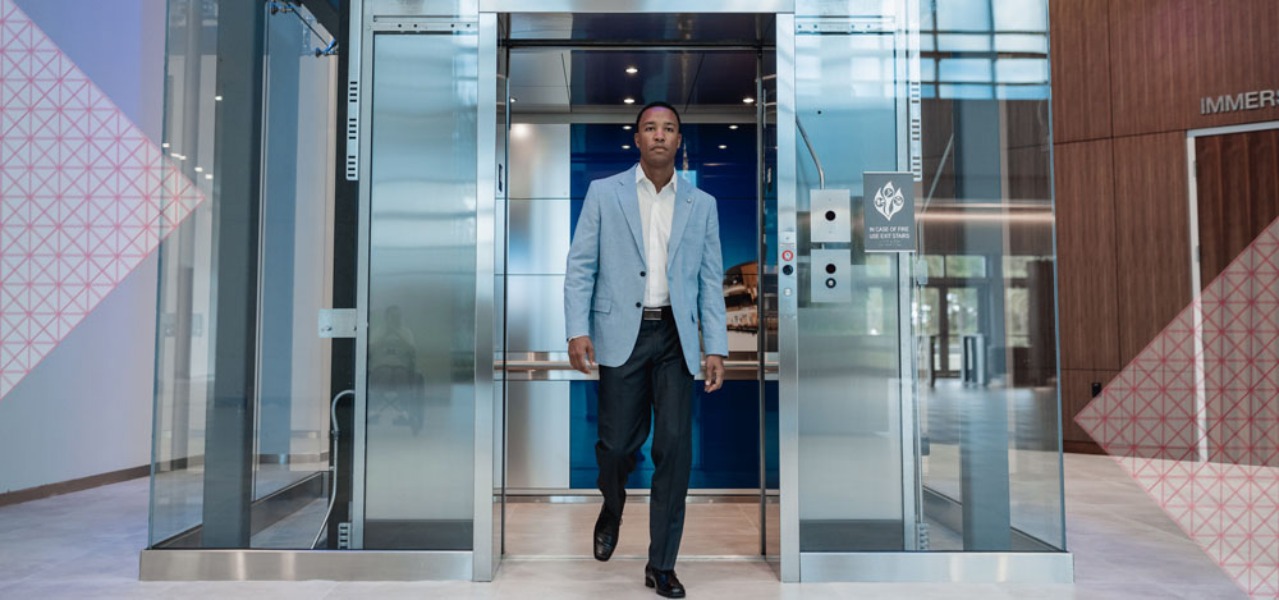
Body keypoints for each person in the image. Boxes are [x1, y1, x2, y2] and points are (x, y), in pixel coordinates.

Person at [564, 101, 728, 599]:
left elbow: (709, 282)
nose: (659, 135)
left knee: (674, 450)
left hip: (676, 338)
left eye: (669, 129)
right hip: (622, 336)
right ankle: (612, 505)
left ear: (680, 141)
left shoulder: (702, 204)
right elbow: (580, 268)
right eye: (650, 128)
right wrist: (577, 330)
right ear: (636, 138)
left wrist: (714, 347)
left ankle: (661, 565)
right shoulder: (603, 193)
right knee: (616, 446)